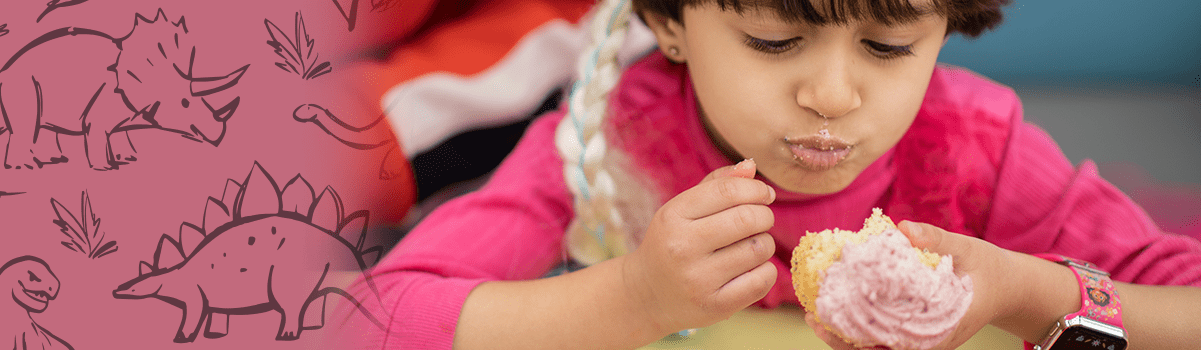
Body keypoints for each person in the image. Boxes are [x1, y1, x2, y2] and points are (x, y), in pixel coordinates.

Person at [333, 0, 1201, 349]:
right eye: (773, 41)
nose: (830, 94)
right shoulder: (615, 140)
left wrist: (1022, 292)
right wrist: (635, 298)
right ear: (670, 22)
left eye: (890, 47)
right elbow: (370, 318)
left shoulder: (978, 151)